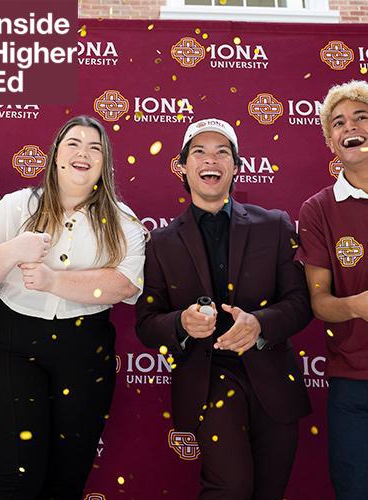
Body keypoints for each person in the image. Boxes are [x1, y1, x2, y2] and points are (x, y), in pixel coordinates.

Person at [0, 115, 146, 500]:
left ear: (104, 163)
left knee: (65, 480)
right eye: (74, 144)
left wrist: (53, 281)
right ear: (56, 154)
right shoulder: (17, 205)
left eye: (95, 147)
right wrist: (14, 249)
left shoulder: (122, 220)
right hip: (11, 346)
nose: (83, 153)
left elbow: (125, 284)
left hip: (84, 352)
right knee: (12, 480)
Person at [136, 118, 312, 499]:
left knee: (269, 491)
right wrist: (181, 324)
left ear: (235, 166)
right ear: (182, 167)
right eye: (198, 151)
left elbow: (300, 304)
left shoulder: (276, 225)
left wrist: (259, 324)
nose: (210, 160)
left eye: (222, 152)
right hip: (207, 380)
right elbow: (147, 324)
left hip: (272, 381)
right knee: (230, 488)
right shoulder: (161, 243)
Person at [296, 80, 368, 500]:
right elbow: (319, 303)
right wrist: (358, 306)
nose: (349, 127)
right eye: (338, 122)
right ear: (330, 141)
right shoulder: (318, 208)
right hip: (353, 384)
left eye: (361, 117)